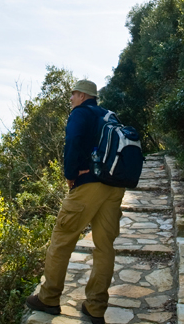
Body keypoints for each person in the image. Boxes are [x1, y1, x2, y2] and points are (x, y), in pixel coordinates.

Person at [25, 79, 125, 324]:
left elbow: (72, 142)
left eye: (73, 95)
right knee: (104, 247)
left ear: (82, 96)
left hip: (88, 186)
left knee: (61, 239)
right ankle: (96, 307)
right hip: (114, 187)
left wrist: (70, 174)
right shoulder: (110, 116)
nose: (70, 99)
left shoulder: (80, 114)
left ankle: (48, 298)